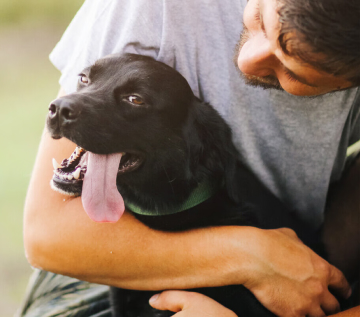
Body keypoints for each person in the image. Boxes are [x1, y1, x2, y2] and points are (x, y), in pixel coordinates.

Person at [21, 0, 360, 316]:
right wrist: (250, 255)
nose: (246, 59)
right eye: (260, 18)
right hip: (107, 250)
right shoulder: (153, 8)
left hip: (302, 257)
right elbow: (49, 235)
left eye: (294, 72)